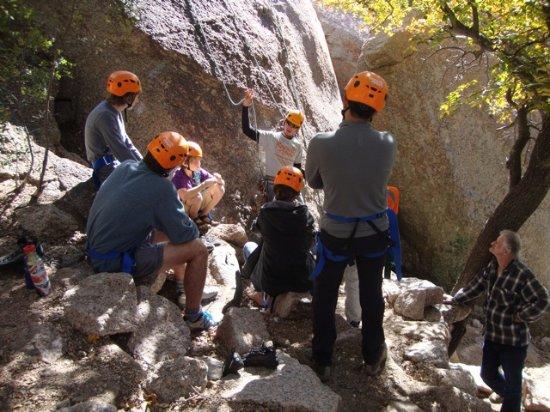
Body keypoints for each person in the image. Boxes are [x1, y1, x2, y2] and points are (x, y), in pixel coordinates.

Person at [305, 71, 396, 381]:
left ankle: (323, 358)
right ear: (377, 108)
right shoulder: (387, 143)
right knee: (372, 293)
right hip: (374, 232)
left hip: (335, 233)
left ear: (346, 101)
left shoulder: (321, 142)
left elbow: (314, 181)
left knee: (326, 293)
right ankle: (373, 354)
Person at [86, 131, 216, 331]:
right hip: (110, 260)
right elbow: (188, 234)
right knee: (198, 250)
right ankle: (194, 316)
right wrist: (182, 219)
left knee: (168, 231)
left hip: (97, 245)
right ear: (174, 165)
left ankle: (185, 286)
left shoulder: (126, 166)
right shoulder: (161, 188)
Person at [444, 230, 548, 412]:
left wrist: (521, 315)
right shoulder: (492, 267)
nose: (492, 243)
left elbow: (543, 300)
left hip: (514, 343)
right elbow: (475, 286)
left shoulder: (521, 274)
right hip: (492, 337)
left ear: (506, 250)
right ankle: (512, 397)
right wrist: (455, 299)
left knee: (513, 385)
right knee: (488, 375)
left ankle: (512, 402)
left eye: (498, 242)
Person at [240, 166, 315, 312]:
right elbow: (311, 241)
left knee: (250, 246)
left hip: (272, 283)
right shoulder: (305, 215)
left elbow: (256, 228)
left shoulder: (266, 213)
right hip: (301, 281)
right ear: (297, 192)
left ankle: (262, 294)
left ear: (275, 188)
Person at [345, 185, 401, 328]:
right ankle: (364, 321)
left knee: (352, 281)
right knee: (370, 284)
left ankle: (352, 319)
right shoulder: (392, 195)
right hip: (374, 248)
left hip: (352, 243)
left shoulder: (354, 194)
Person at [241, 89, 305, 202]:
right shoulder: (270, 137)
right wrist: (246, 106)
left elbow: (298, 170)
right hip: (271, 183)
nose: (290, 127)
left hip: (288, 185)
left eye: (294, 126)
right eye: (289, 123)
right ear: (284, 122)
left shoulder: (298, 146)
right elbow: (247, 130)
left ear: (297, 129)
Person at [85, 70, 143, 189]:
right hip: (105, 168)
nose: (137, 100)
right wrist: (142, 172)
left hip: (112, 163)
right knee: (139, 189)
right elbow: (119, 149)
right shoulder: (105, 115)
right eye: (136, 96)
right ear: (128, 97)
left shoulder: (113, 112)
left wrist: (144, 165)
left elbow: (127, 143)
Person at [172, 141, 225, 227]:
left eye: (199, 160)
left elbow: (219, 182)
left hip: (196, 204)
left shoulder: (197, 172)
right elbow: (184, 196)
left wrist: (219, 180)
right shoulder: (179, 175)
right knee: (197, 196)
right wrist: (204, 185)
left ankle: (203, 215)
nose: (199, 164)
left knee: (219, 188)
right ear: (185, 162)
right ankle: (193, 218)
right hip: (182, 208)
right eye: (196, 161)